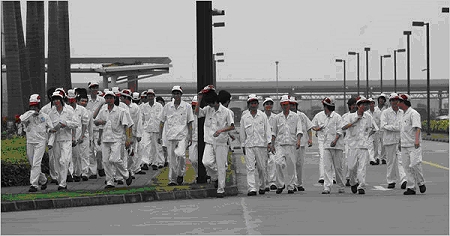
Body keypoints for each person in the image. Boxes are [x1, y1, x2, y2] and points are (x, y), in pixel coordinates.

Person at [195, 85, 235, 198]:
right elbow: (197, 113)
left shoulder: (226, 112)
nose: (209, 106)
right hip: (209, 141)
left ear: (216, 101)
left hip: (221, 142)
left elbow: (232, 126)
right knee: (206, 162)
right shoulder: (208, 110)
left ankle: (221, 189)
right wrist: (199, 99)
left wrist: (221, 130)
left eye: (211, 103)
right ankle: (217, 177)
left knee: (221, 166)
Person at [94, 91, 133, 189]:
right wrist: (100, 123)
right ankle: (110, 181)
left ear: (114, 99)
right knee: (106, 161)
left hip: (117, 138)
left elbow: (127, 126)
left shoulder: (121, 111)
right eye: (107, 98)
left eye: (111, 98)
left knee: (114, 159)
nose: (109, 100)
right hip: (105, 138)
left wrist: (128, 139)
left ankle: (126, 174)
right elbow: (96, 121)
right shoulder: (103, 110)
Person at [341, 96, 378, 195]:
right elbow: (343, 127)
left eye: (366, 104)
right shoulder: (349, 116)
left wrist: (367, 137)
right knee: (351, 167)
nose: (364, 106)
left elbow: (372, 129)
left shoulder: (368, 117)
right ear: (358, 106)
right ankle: (353, 182)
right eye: (362, 104)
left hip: (363, 146)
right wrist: (354, 121)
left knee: (362, 167)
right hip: (352, 145)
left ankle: (361, 186)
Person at [158, 86, 194, 186]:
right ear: (172, 95)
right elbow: (161, 121)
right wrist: (160, 135)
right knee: (172, 160)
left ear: (181, 95)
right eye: (174, 93)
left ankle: (180, 174)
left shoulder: (187, 106)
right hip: (170, 136)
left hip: (182, 136)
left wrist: (190, 136)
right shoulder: (167, 107)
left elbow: (190, 122)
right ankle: (172, 180)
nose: (176, 95)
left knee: (181, 155)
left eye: (178, 93)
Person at [20, 94, 54, 192]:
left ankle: (34, 185)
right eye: (32, 106)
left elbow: (51, 129)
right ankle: (43, 180)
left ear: (39, 106)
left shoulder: (45, 117)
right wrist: (31, 112)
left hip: (40, 142)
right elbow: (22, 119)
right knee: (32, 164)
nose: (34, 108)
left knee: (36, 163)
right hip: (30, 141)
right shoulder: (27, 116)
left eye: (35, 106)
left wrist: (50, 142)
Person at [240, 94, 272, 196]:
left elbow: (267, 130)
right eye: (251, 103)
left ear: (258, 104)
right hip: (249, 145)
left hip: (261, 145)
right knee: (250, 168)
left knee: (261, 168)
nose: (253, 105)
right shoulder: (245, 118)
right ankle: (252, 188)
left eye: (255, 103)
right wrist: (243, 145)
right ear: (248, 105)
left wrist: (269, 143)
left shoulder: (263, 116)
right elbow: (242, 133)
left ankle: (262, 186)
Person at [270, 95, 303, 194]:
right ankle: (280, 184)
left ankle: (291, 186)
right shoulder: (277, 118)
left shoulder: (296, 117)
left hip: (291, 144)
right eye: (283, 105)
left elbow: (299, 130)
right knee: (278, 163)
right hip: (280, 144)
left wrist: (298, 141)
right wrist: (272, 144)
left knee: (291, 166)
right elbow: (274, 132)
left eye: (287, 104)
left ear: (289, 105)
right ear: (281, 105)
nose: (285, 106)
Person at [47, 91, 78, 190]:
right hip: (56, 140)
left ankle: (63, 183)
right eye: (54, 100)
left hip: (66, 139)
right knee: (57, 162)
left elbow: (76, 124)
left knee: (64, 161)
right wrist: (51, 130)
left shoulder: (69, 110)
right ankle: (61, 181)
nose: (56, 102)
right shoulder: (51, 113)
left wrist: (66, 124)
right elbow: (48, 127)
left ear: (61, 100)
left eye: (57, 99)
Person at [397, 93, 426, 195]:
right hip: (404, 144)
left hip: (413, 144)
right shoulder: (402, 114)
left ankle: (421, 182)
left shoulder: (414, 113)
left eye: (399, 101)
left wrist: (417, 140)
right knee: (406, 167)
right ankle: (411, 187)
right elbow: (402, 131)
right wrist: (400, 142)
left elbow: (417, 128)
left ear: (404, 102)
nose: (397, 103)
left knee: (414, 164)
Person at [315, 97, 345, 194]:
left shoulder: (337, 117)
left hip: (337, 146)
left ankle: (341, 186)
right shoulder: (322, 117)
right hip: (326, 145)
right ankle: (327, 187)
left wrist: (335, 140)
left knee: (338, 167)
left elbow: (340, 130)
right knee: (327, 166)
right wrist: (318, 129)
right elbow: (315, 127)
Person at [380, 93, 407, 189]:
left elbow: (405, 125)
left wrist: (398, 129)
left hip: (400, 140)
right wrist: (396, 128)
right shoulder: (385, 113)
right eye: (393, 100)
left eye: (396, 100)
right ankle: (391, 180)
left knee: (401, 161)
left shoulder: (403, 112)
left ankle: (404, 180)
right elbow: (383, 126)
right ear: (390, 102)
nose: (395, 102)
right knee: (391, 162)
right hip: (389, 140)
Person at [290, 97, 313, 192]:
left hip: (301, 144)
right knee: (292, 164)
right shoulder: (285, 116)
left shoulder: (302, 115)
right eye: (290, 105)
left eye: (293, 105)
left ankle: (299, 183)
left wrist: (310, 139)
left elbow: (309, 127)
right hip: (290, 144)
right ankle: (293, 184)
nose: (292, 107)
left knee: (299, 164)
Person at [67, 89, 90, 182]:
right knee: (73, 156)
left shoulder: (82, 110)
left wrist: (82, 136)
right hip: (71, 137)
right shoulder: (67, 110)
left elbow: (85, 123)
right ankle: (75, 174)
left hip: (82, 135)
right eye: (69, 100)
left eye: (73, 100)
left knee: (84, 155)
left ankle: (84, 173)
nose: (71, 102)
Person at [120, 89, 143, 178]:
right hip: (122, 134)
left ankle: (130, 170)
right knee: (123, 154)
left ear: (126, 98)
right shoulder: (120, 107)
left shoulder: (135, 107)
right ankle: (124, 171)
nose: (120, 99)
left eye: (122, 97)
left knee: (132, 153)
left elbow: (138, 121)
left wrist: (138, 134)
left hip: (132, 134)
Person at [86, 81, 106, 178]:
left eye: (96, 87)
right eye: (92, 87)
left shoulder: (102, 100)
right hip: (89, 129)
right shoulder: (86, 100)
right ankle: (93, 172)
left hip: (99, 129)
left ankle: (100, 167)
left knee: (99, 150)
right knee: (90, 151)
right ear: (89, 89)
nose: (94, 89)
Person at [141, 89, 165, 170]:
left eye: (151, 96)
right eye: (148, 96)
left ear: (154, 96)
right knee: (145, 145)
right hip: (146, 129)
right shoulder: (144, 106)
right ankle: (145, 162)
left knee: (156, 147)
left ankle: (155, 163)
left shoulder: (159, 106)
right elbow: (142, 119)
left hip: (156, 129)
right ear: (147, 97)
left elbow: (162, 118)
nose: (150, 97)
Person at [341, 97, 357, 187]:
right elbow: (342, 129)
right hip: (348, 141)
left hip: (359, 143)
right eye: (353, 105)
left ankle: (355, 178)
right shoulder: (345, 117)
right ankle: (348, 178)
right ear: (349, 106)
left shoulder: (362, 115)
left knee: (357, 162)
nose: (355, 106)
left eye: (356, 104)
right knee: (348, 161)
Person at [262, 97, 277, 191]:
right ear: (263, 106)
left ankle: (272, 182)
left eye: (270, 104)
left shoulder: (275, 117)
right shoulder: (260, 116)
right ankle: (265, 183)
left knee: (273, 162)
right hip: (262, 143)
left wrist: (272, 144)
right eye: (267, 104)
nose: (269, 106)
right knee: (263, 164)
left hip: (272, 143)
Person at [189, 96, 199, 182]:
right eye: (193, 106)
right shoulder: (189, 116)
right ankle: (197, 174)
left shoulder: (203, 114)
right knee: (192, 159)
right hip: (193, 140)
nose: (194, 108)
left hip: (204, 140)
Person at [376, 93, 388, 164]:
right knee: (376, 145)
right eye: (380, 99)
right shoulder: (375, 109)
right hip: (376, 130)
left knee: (383, 144)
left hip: (384, 129)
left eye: (383, 99)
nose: (381, 100)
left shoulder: (387, 109)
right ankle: (377, 158)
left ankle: (383, 158)